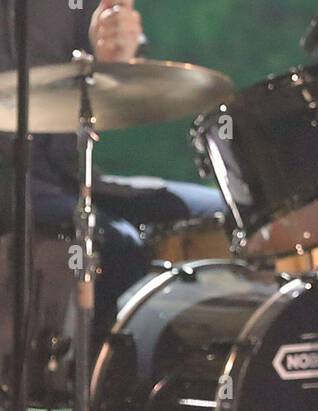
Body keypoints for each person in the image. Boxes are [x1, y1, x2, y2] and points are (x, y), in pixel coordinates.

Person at [0, 1, 225, 333]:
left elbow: (107, 48)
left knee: (218, 215)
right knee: (117, 242)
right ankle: (92, 379)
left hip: (68, 176)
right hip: (9, 180)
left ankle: (197, 371)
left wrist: (117, 51)